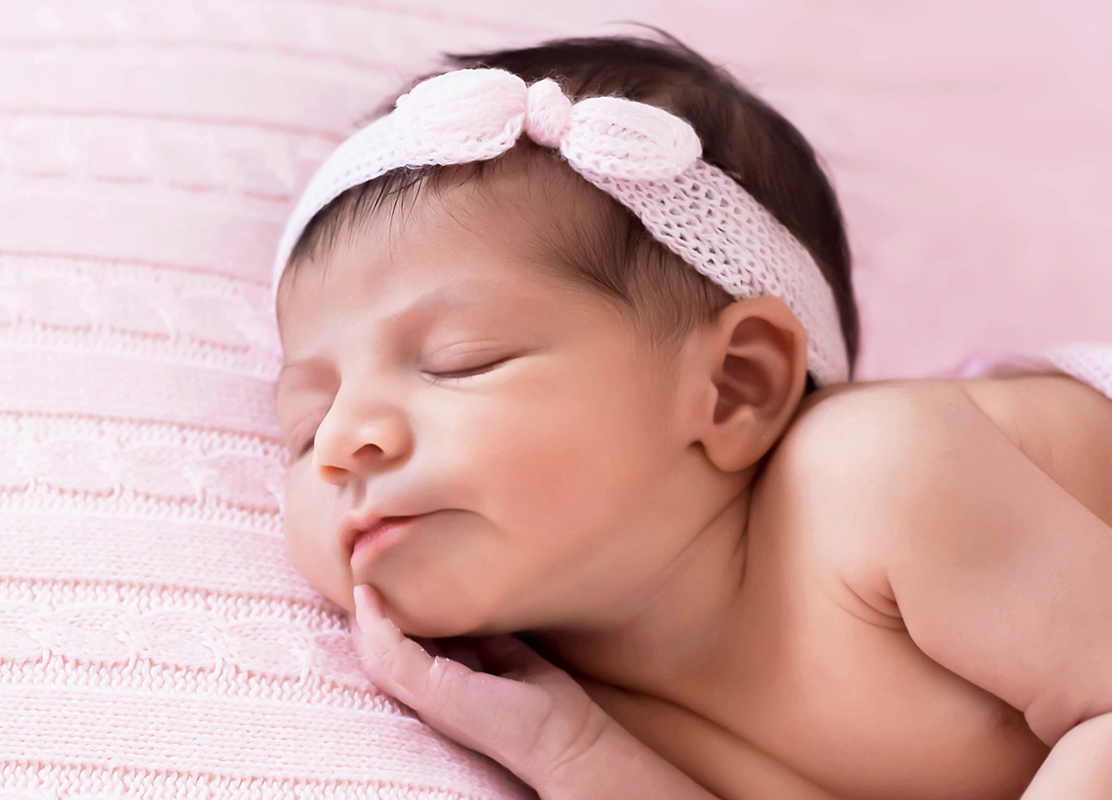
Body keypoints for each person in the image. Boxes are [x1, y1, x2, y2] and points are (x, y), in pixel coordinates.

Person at [270, 30, 1112, 800]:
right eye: (305, 428)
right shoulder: (578, 688)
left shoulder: (878, 480)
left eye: (463, 361)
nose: (345, 442)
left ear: (736, 384)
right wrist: (564, 747)